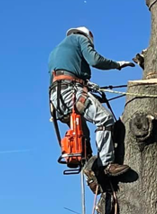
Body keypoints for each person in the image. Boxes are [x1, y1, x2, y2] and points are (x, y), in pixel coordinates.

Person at [48, 27, 135, 177]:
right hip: (71, 92)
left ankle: (91, 173)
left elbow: (61, 78)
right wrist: (117, 64)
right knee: (104, 119)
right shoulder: (79, 39)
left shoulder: (56, 51)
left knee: (83, 139)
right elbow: (94, 60)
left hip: (57, 99)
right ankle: (107, 164)